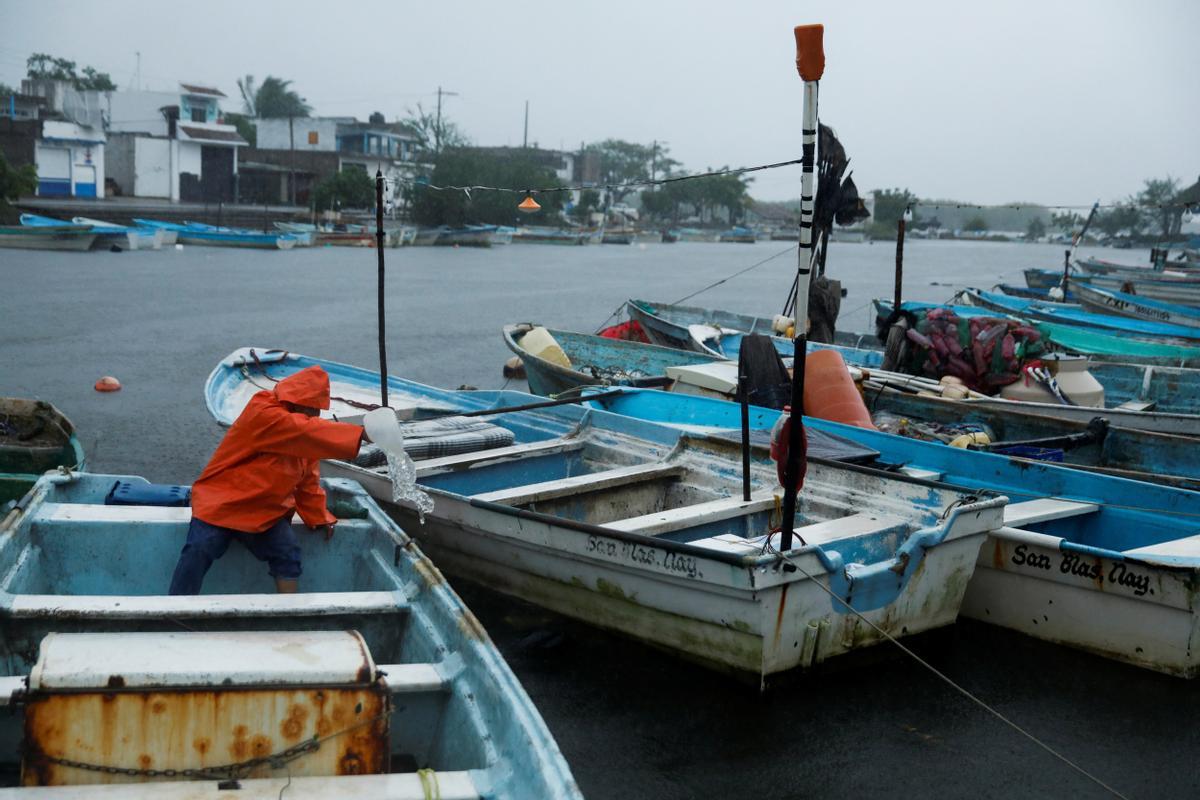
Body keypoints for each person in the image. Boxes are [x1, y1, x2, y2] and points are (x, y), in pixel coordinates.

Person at [169, 365, 368, 595]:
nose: (316, 415)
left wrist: (319, 517)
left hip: (264, 511)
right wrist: (362, 433)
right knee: (199, 549)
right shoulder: (264, 411)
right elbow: (303, 429)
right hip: (221, 502)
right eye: (313, 408)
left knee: (287, 553)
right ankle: (177, 613)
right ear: (296, 401)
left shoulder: (303, 434)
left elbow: (307, 483)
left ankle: (287, 617)